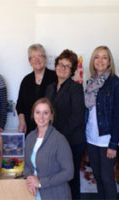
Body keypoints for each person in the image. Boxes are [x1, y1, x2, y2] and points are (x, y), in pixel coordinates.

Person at [45, 49, 86, 199]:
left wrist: (57, 138)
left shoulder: (75, 88)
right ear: (55, 66)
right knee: (56, 177)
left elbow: (76, 118)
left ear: (72, 71)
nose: (62, 68)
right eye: (60, 64)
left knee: (71, 178)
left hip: (72, 141)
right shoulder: (50, 88)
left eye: (67, 66)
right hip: (54, 140)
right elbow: (46, 113)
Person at [85, 46, 119, 199]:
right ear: (93, 61)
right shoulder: (90, 83)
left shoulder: (115, 83)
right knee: (98, 177)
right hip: (91, 137)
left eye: (104, 57)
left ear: (109, 61)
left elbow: (118, 115)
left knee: (107, 179)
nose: (100, 60)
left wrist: (114, 144)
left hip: (106, 139)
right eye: (97, 57)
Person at [24, 98, 74, 200]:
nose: (41, 117)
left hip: (56, 195)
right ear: (33, 115)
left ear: (51, 115)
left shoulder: (59, 140)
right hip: (35, 194)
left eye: (45, 113)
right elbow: (27, 165)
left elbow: (69, 172)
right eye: (38, 112)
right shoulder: (30, 137)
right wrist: (30, 179)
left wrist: (41, 182)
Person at [16, 43, 57, 135]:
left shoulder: (55, 77)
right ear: (29, 61)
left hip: (51, 128)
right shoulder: (26, 80)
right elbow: (20, 105)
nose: (37, 59)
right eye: (33, 57)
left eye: (40, 56)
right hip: (30, 129)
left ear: (45, 59)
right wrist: (22, 121)